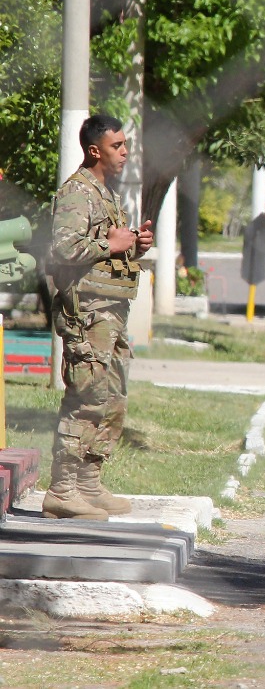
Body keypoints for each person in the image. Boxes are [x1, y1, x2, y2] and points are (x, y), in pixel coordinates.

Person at [43, 114, 154, 520]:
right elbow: (63, 250)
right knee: (86, 396)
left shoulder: (105, 193)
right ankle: (62, 490)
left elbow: (105, 249)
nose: (125, 152)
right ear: (95, 150)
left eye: (125, 145)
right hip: (87, 314)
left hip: (110, 314)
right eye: (117, 146)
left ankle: (88, 483)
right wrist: (110, 242)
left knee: (112, 399)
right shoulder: (77, 192)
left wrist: (133, 246)